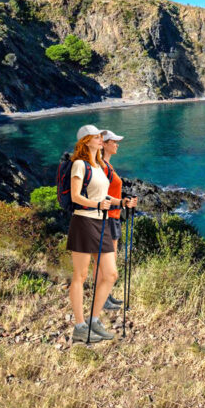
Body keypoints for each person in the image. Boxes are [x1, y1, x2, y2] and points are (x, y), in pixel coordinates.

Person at [66, 124, 132, 343]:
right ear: (87, 141)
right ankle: (79, 326)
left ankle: (94, 320)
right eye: (96, 137)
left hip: (100, 222)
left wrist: (122, 202)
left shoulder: (98, 166)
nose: (100, 140)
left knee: (111, 273)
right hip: (83, 222)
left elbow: (106, 197)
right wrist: (96, 204)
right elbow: (76, 197)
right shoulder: (79, 165)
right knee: (81, 275)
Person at [100, 129, 138, 308]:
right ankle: (103, 298)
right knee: (107, 260)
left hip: (113, 217)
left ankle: (107, 295)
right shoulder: (102, 167)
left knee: (110, 259)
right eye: (114, 141)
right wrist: (123, 202)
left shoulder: (108, 166)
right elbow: (101, 196)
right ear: (105, 144)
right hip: (106, 218)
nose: (117, 144)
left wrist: (125, 202)